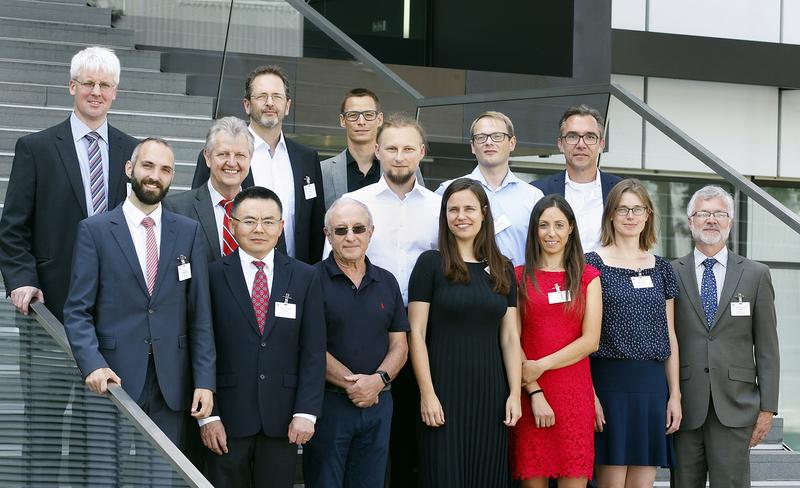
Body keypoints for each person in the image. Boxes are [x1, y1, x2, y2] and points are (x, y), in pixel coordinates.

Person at [0, 45, 138, 484]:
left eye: (105, 85)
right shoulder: (36, 148)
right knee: (42, 427)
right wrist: (22, 280)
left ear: (116, 92)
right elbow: (13, 228)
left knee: (99, 438)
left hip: (114, 318)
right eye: (88, 84)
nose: (96, 92)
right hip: (50, 318)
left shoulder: (135, 153)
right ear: (72, 87)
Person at [63, 137, 216, 444]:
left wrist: (204, 381)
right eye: (148, 165)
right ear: (129, 168)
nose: (155, 176)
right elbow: (77, 311)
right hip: (112, 381)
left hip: (171, 385)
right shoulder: (96, 231)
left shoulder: (188, 232)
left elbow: (200, 314)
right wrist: (93, 364)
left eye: (165, 170)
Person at [321, 113, 440, 487]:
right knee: (366, 440)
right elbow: (331, 263)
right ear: (376, 149)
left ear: (421, 152)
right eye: (391, 148)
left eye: (408, 148)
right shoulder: (354, 203)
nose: (399, 156)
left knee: (413, 437)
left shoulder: (438, 207)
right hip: (365, 330)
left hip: (423, 334)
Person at [201, 186, 326, 488]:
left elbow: (312, 349)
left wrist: (306, 412)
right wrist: (208, 417)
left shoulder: (305, 276)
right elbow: (203, 347)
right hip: (227, 419)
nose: (259, 229)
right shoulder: (212, 275)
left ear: (282, 227)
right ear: (232, 224)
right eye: (249, 220)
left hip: (282, 419)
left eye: (269, 221)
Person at [408, 177, 522, 488]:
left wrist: (514, 394)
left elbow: (510, 338)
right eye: (453, 209)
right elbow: (415, 334)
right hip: (443, 391)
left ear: (484, 213)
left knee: (487, 476)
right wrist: (427, 394)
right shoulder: (431, 264)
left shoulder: (503, 268)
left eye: (469, 208)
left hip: (491, 393)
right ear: (444, 216)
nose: (461, 216)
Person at [671, 186, 779, 488]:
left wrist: (767, 407)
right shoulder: (669, 272)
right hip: (684, 405)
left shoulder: (756, 274)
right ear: (690, 221)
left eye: (719, 214)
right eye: (703, 213)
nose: (711, 220)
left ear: (730, 222)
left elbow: (768, 347)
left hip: (736, 405)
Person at [303, 198, 409, 487]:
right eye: (340, 230)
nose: (350, 236)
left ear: (371, 232)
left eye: (358, 228)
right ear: (327, 235)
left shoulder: (387, 281)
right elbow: (309, 346)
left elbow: (400, 343)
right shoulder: (309, 279)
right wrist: (354, 385)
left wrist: (378, 380)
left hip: (379, 403)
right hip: (329, 405)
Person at [584, 178, 681, 487]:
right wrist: (590, 394)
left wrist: (674, 394)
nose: (630, 216)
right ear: (610, 215)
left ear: (647, 214)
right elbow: (582, 336)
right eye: (622, 209)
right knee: (611, 481)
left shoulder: (662, 267)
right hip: (609, 383)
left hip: (652, 387)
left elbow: (670, 335)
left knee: (643, 482)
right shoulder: (591, 264)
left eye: (637, 209)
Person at [192, 64, 325, 264]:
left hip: (295, 277)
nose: (270, 103)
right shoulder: (222, 157)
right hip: (236, 275)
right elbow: (200, 214)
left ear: (287, 106)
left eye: (277, 96)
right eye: (262, 96)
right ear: (247, 105)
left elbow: (315, 226)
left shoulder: (307, 159)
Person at [511, 194, 602, 487]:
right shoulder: (518, 277)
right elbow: (513, 340)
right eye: (544, 225)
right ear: (534, 230)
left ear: (571, 228)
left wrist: (541, 365)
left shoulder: (588, 277)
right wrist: (534, 389)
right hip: (531, 394)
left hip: (574, 395)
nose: (551, 233)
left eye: (559, 225)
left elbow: (591, 341)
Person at [436, 111, 543, 265]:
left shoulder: (533, 197)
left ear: (512, 143)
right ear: (472, 146)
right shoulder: (449, 191)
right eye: (481, 137)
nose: (489, 142)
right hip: (464, 283)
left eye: (497, 136)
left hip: (518, 286)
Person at [532, 104, 622, 252]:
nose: (581, 144)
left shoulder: (620, 191)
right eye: (572, 136)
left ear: (601, 145)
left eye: (590, 137)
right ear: (560, 144)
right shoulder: (537, 192)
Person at [165, 116, 253, 261]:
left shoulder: (262, 211)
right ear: (207, 157)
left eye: (240, 155)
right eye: (223, 154)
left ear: (250, 158)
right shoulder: (176, 210)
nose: (231, 162)